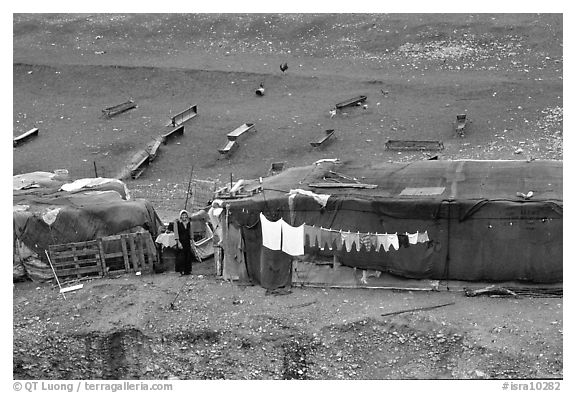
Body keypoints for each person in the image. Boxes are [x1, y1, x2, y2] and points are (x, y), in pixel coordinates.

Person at [173, 210, 194, 276]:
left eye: (185, 215)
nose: (184, 216)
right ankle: (181, 270)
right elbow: (176, 233)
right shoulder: (177, 223)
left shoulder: (189, 223)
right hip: (181, 241)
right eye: (182, 215)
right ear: (180, 216)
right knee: (181, 257)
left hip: (187, 241)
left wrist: (192, 240)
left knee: (188, 256)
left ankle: (187, 270)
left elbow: (191, 232)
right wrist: (178, 242)